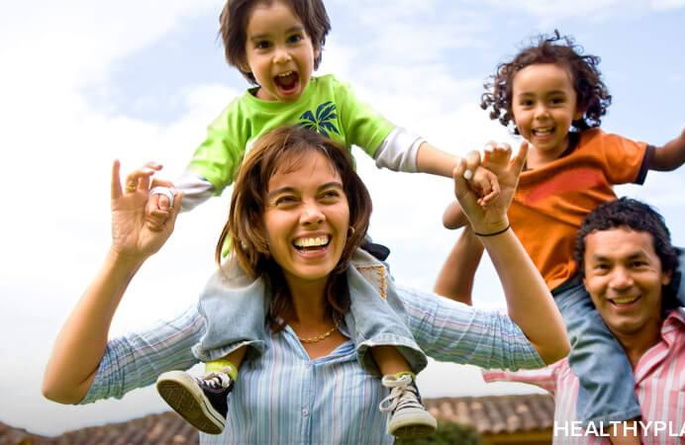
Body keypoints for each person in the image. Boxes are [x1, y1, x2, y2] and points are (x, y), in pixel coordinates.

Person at [42, 126, 569, 445]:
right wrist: (124, 257)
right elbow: (68, 384)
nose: (312, 216)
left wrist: (493, 225)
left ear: (352, 208)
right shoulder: (219, 319)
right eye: (287, 200)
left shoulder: (392, 307)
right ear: (258, 221)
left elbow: (539, 344)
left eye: (328, 195)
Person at [142, 0, 499, 437]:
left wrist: (459, 166)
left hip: (337, 250)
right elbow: (208, 172)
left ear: (316, 43)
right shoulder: (238, 117)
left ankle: (401, 388)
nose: (283, 56)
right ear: (243, 58)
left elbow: (392, 143)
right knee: (232, 295)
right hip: (259, 252)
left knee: (372, 288)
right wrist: (167, 198)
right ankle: (217, 381)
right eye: (263, 44)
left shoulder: (335, 96)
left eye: (295, 38)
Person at [438, 31, 685, 443]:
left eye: (555, 100)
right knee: (592, 346)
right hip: (562, 288)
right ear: (510, 109)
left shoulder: (596, 148)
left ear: (579, 104)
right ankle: (622, 429)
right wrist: (482, 186)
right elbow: (452, 219)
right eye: (528, 103)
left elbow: (662, 159)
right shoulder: (510, 168)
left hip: (612, 257)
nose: (542, 114)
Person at [482, 198, 685, 444]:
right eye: (602, 268)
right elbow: (453, 324)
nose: (620, 281)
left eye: (637, 264)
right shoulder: (562, 355)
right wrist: (482, 224)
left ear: (667, 271)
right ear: (585, 281)